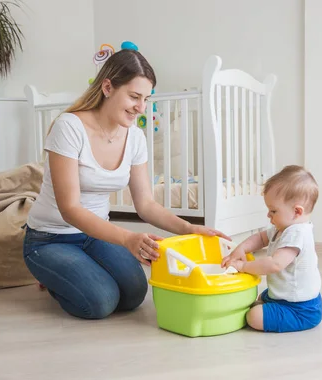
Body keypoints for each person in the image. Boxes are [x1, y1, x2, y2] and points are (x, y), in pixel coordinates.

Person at [23, 50, 227, 319]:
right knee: (99, 302)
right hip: (50, 238)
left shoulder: (135, 138)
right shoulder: (69, 127)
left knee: (134, 294)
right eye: (134, 97)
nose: (141, 108)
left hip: (96, 234)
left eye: (146, 99)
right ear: (108, 87)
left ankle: (72, 272)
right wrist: (127, 238)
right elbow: (70, 208)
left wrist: (188, 228)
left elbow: (145, 204)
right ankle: (52, 277)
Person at [221, 165, 322, 333]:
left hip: (300, 309)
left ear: (297, 211)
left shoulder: (297, 233)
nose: (269, 215)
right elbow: (261, 238)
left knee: (253, 316)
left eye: (273, 211)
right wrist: (242, 249)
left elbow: (275, 264)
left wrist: (243, 267)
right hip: (284, 295)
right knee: (256, 300)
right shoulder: (284, 226)